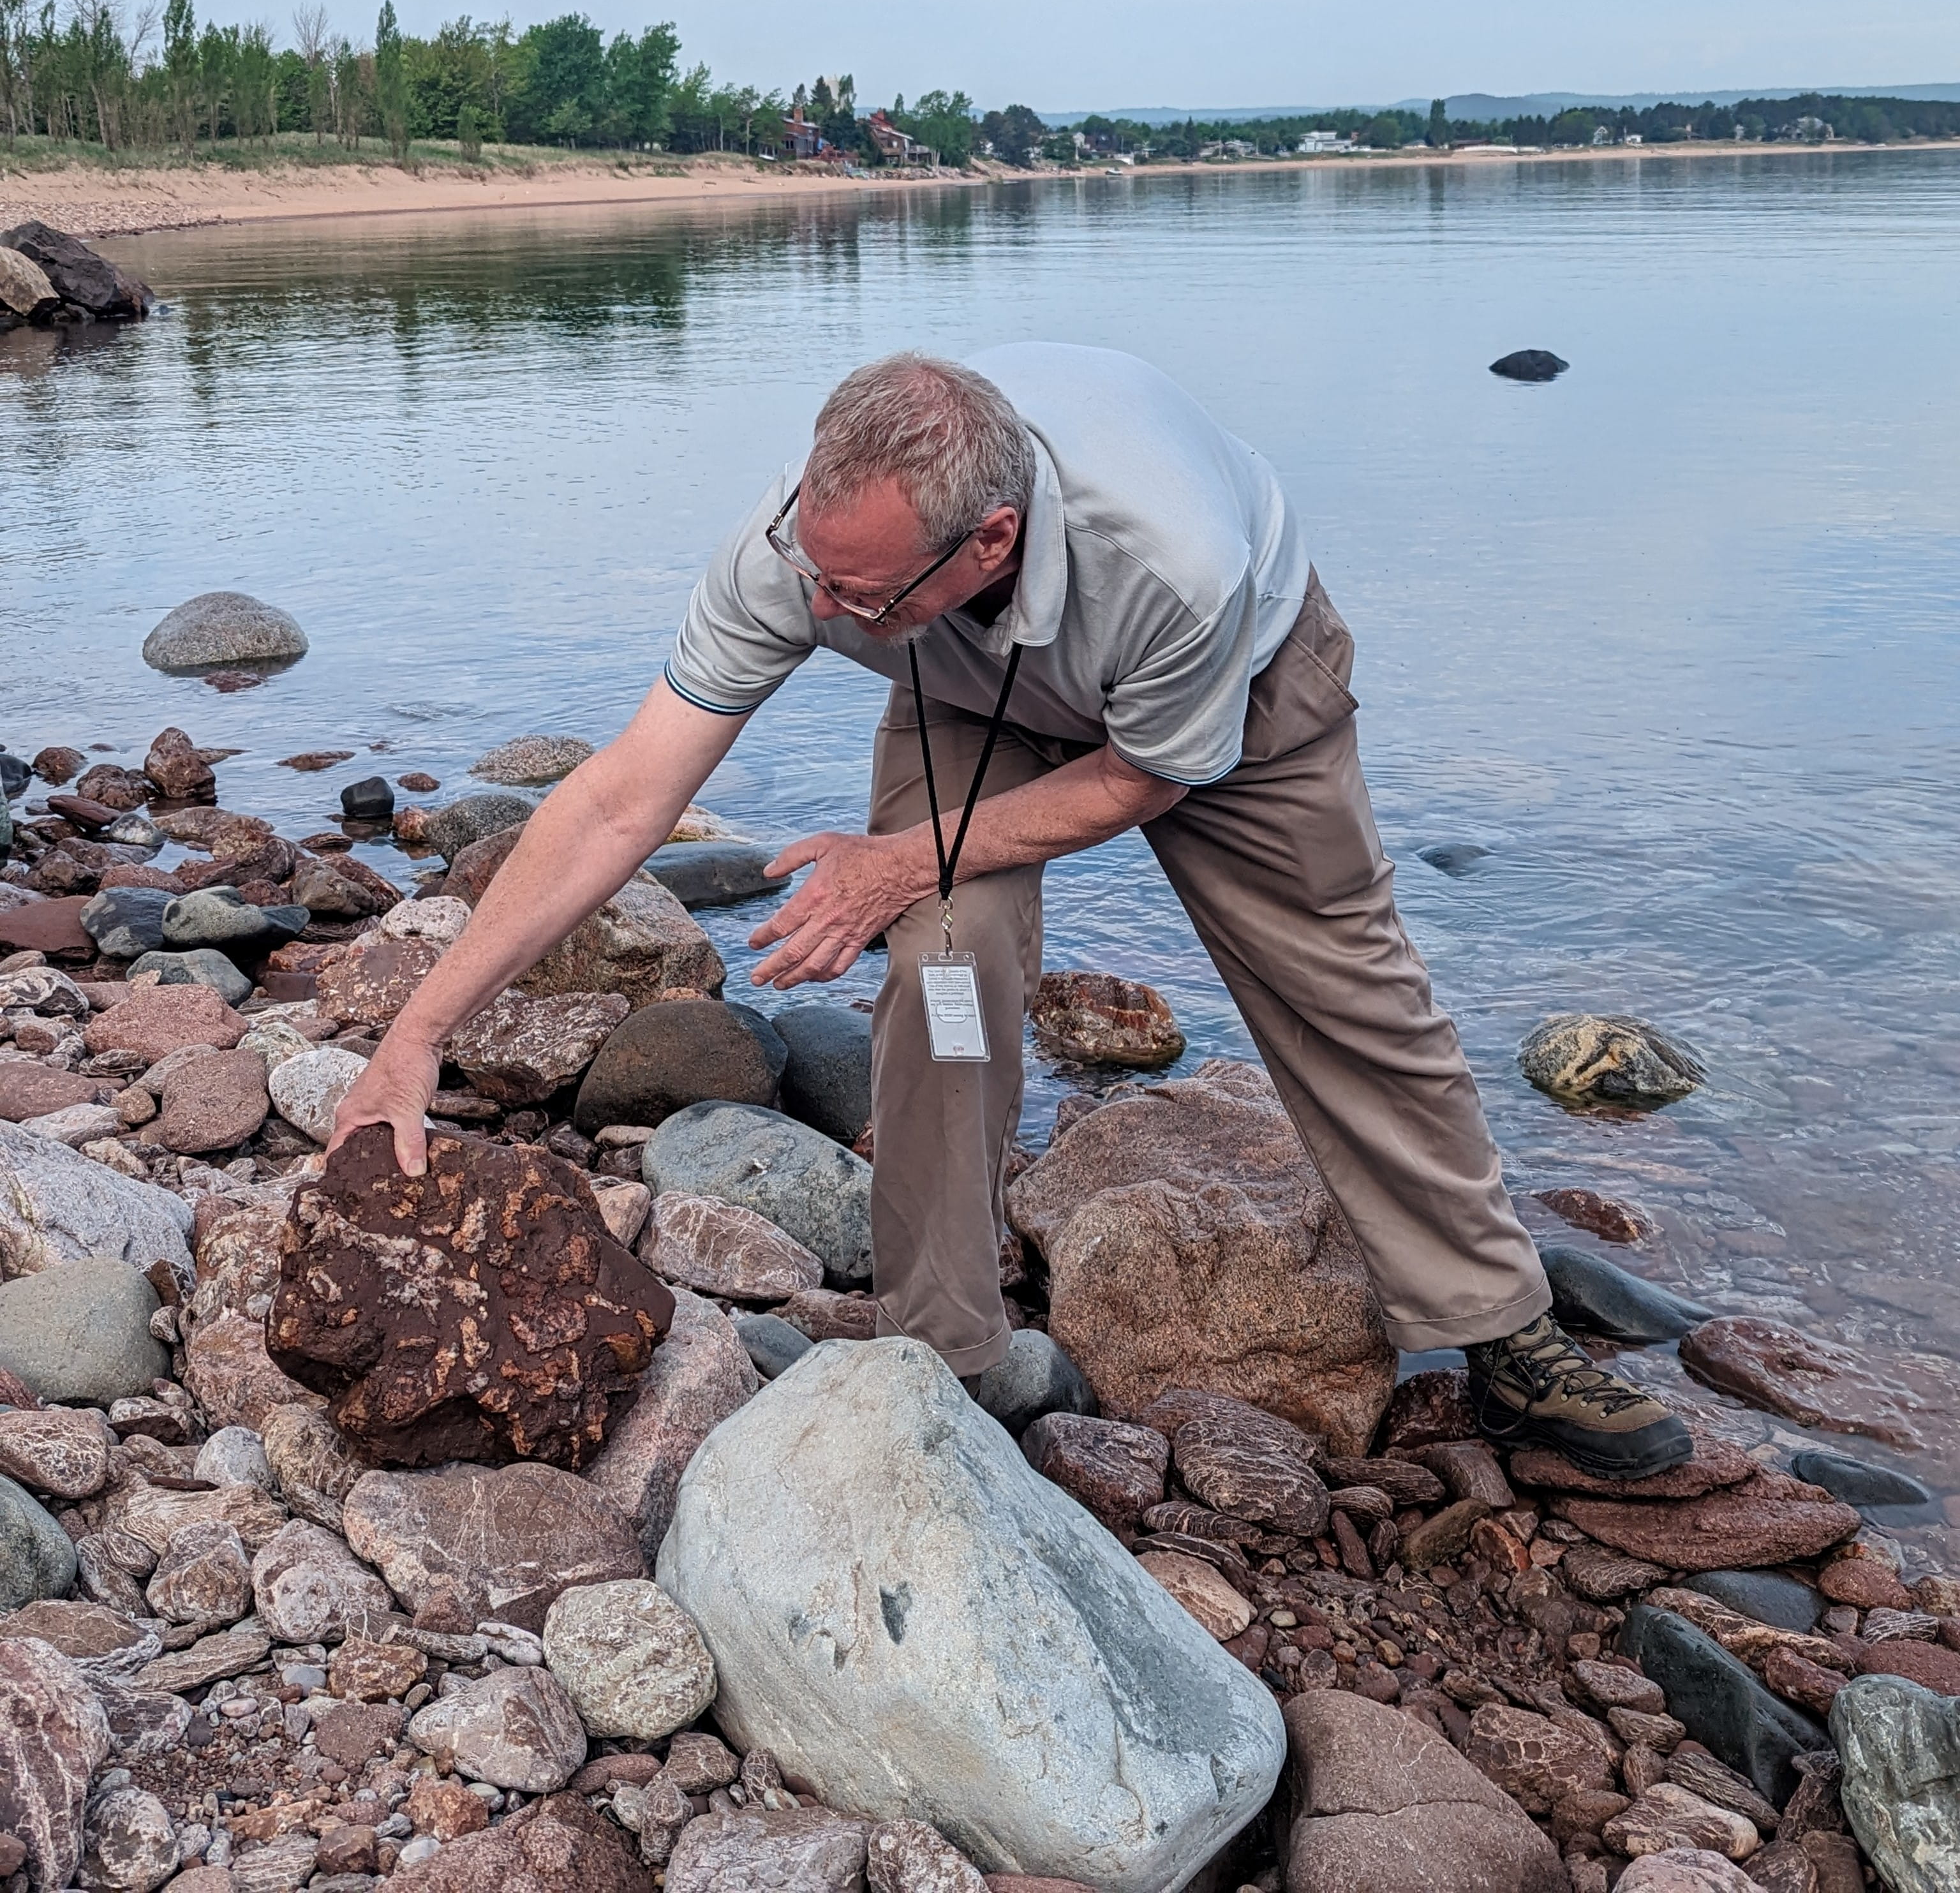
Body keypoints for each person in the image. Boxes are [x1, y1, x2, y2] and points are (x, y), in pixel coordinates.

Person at [329, 343, 1691, 1481]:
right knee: (945, 964)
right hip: (971, 687)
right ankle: (946, 1348)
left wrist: (897, 854)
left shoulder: (1175, 560)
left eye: (857, 596)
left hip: (1228, 701)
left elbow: (1149, 776)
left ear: (991, 540)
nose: (824, 611)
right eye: (819, 577)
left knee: (1348, 995)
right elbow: (623, 798)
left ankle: (1500, 1326)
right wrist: (420, 1033)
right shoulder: (812, 550)